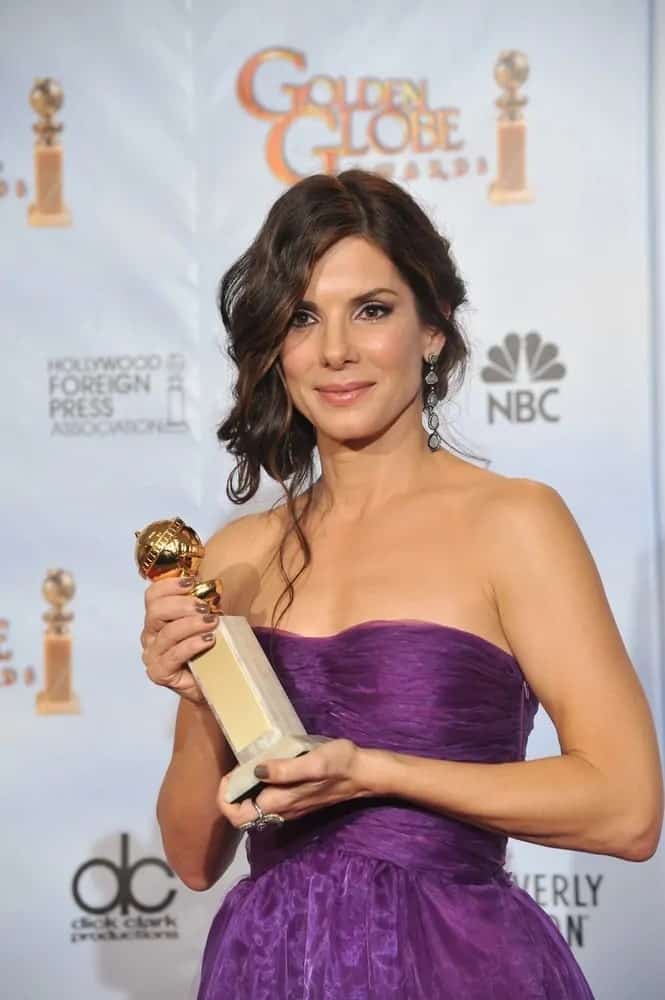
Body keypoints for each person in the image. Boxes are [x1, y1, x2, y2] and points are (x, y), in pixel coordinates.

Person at [140, 169, 663, 999]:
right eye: (303, 316)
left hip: (454, 962)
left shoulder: (513, 522)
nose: (335, 350)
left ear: (433, 330)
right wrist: (202, 692)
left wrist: (377, 772)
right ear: (275, 344)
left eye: (371, 310)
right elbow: (192, 859)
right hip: (266, 968)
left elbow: (626, 808)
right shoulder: (238, 555)